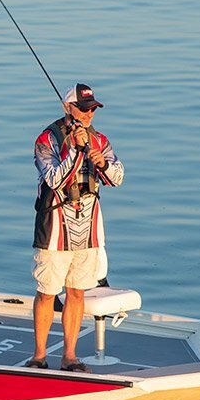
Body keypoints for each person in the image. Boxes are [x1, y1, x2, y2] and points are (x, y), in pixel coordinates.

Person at [26, 83, 124, 372]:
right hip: (54, 227)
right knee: (47, 292)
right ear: (67, 108)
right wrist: (77, 151)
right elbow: (54, 179)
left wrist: (102, 163)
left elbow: (118, 177)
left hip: (89, 226)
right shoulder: (47, 139)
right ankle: (39, 356)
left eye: (93, 109)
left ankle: (70, 356)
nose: (89, 114)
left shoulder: (100, 140)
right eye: (83, 109)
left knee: (77, 291)